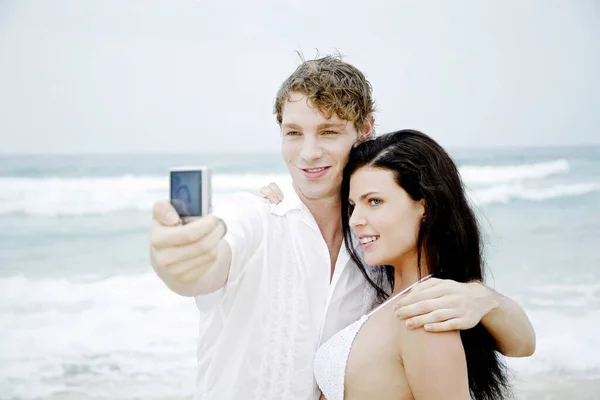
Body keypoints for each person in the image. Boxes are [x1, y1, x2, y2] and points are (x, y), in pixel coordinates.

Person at [149, 55, 535, 400]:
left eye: (329, 132)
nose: (308, 152)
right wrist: (176, 257)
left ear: (363, 129)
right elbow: (199, 271)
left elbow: (521, 344)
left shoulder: (378, 248)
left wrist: (483, 298)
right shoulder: (256, 214)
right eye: (294, 132)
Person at [309, 129, 512, 400]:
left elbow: (524, 343)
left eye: (375, 201)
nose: (355, 219)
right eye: (353, 205)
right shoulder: (386, 298)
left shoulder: (423, 315)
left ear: (424, 207)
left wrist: (488, 300)